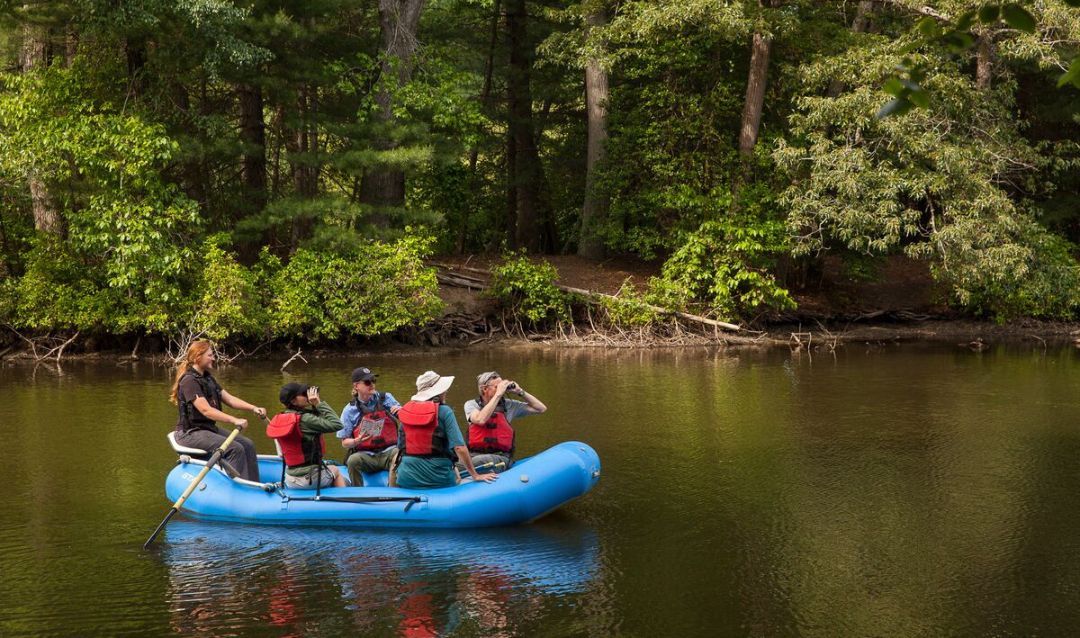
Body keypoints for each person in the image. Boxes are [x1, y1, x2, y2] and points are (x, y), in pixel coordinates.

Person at [170, 340, 266, 482]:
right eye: (210, 355)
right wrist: (234, 420)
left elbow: (230, 400)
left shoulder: (208, 379)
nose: (214, 358)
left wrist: (253, 407)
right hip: (189, 433)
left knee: (247, 444)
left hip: (207, 429)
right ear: (198, 357)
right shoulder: (189, 381)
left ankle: (253, 485)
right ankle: (238, 487)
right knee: (235, 448)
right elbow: (206, 410)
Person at [395, 371, 498, 490]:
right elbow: (459, 448)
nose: (446, 392)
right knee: (458, 476)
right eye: (443, 390)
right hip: (439, 478)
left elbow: (400, 448)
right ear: (437, 394)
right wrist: (475, 475)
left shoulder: (407, 411)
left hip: (406, 477)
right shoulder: (444, 411)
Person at [463, 371, 547, 474]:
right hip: (473, 455)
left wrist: (520, 391)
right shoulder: (471, 405)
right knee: (456, 461)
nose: (501, 390)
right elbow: (480, 419)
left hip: (500, 457)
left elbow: (541, 408)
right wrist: (498, 394)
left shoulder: (509, 405)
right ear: (484, 389)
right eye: (497, 386)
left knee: (481, 460)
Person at [267, 382, 347, 489]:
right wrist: (318, 404)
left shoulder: (281, 418)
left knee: (326, 471)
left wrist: (314, 407)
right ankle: (345, 502)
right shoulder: (305, 419)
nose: (308, 396)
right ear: (293, 401)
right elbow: (337, 424)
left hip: (290, 478)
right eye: (304, 394)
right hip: (308, 479)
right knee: (335, 470)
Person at [337, 366, 402, 486]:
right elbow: (344, 442)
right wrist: (357, 440)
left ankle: (394, 492)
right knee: (352, 460)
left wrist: (400, 411)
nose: (371, 384)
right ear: (356, 386)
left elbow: (404, 417)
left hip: (389, 452)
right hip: (366, 456)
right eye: (367, 382)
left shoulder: (385, 398)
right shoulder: (349, 410)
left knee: (400, 453)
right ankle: (358, 494)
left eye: (373, 381)